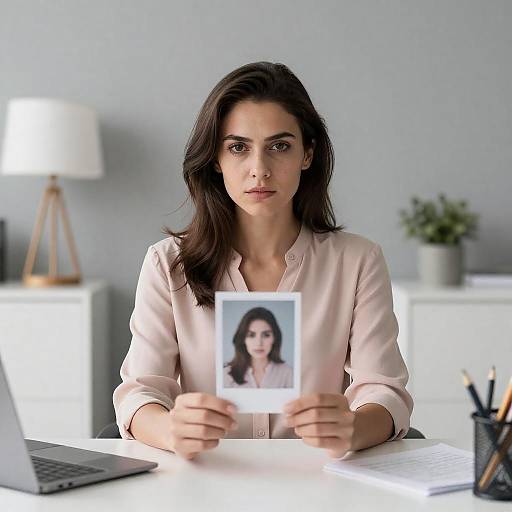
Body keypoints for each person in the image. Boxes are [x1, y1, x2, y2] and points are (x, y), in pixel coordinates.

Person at [113, 61, 413, 461]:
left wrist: (354, 428)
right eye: (238, 147)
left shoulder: (358, 261)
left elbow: (384, 391)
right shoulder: (167, 264)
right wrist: (169, 430)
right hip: (205, 481)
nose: (259, 170)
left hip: (320, 484)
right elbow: (140, 391)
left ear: (307, 154)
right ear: (216, 159)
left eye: (280, 146)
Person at [223, 307, 293, 389]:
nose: (259, 343)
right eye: (251, 335)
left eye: (266, 335)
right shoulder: (226, 374)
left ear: (275, 338)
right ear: (243, 339)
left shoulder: (288, 373)